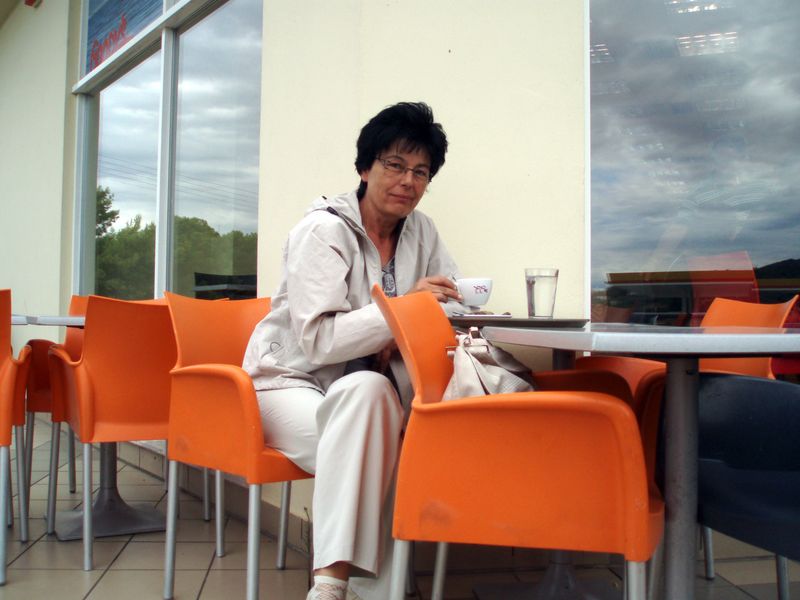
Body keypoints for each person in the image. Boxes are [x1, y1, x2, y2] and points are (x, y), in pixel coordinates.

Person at [242, 101, 470, 600]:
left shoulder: (423, 231)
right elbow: (320, 340)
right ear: (365, 167)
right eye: (395, 165)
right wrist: (402, 313)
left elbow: (448, 302)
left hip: (367, 396)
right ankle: (348, 587)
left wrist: (414, 323)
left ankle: (335, 586)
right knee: (377, 422)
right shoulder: (322, 231)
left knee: (374, 404)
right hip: (287, 384)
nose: (408, 181)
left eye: (421, 172)